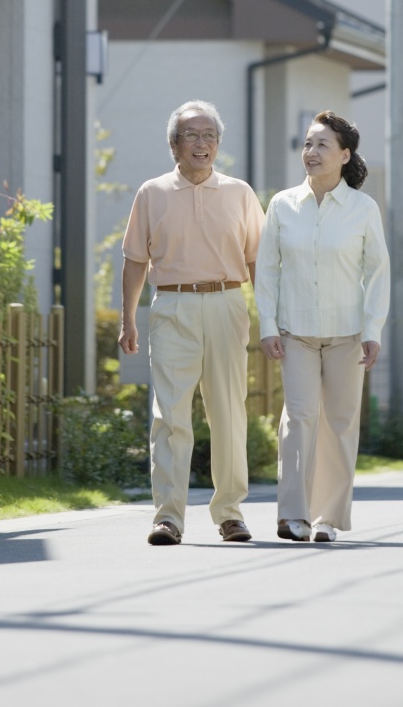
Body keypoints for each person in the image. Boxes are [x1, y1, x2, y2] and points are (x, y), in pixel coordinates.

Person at [119, 99, 264, 546]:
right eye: (191, 136)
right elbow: (134, 261)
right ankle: (168, 517)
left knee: (228, 412)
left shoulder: (240, 192)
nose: (201, 144)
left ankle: (230, 513)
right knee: (170, 416)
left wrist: (273, 320)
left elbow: (258, 261)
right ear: (173, 144)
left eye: (209, 136)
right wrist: (128, 319)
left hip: (226, 303)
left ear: (219, 143)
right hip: (172, 306)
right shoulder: (152, 192)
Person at [255, 111, 390, 543]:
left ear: (344, 155)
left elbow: (378, 273)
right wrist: (268, 325)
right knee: (299, 418)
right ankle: (292, 514)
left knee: (340, 422)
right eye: (308, 144)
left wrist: (373, 330)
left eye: (322, 145)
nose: (311, 153)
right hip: (295, 333)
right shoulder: (281, 204)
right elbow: (267, 271)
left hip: (347, 335)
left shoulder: (362, 209)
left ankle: (327, 519)